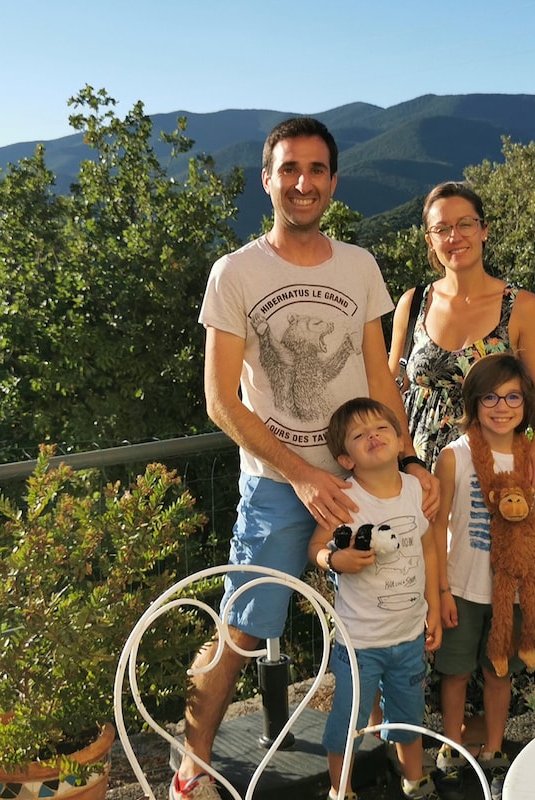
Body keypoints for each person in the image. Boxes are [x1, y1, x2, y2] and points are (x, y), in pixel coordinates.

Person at [174, 117, 436, 800]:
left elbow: (380, 379)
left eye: (316, 170)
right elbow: (220, 402)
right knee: (241, 630)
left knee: (384, 618)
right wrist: (302, 473)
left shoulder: (359, 266)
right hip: (277, 487)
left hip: (365, 478)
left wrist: (407, 464)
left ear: (333, 182)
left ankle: (379, 761)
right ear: (267, 179)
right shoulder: (235, 271)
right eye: (289, 168)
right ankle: (190, 770)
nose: (302, 182)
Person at [307, 397, 442, 800]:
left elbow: (430, 548)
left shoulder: (418, 488)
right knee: (349, 720)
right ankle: (341, 790)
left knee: (410, 717)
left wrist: (433, 606)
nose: (373, 437)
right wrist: (335, 558)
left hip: (409, 636)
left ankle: (414, 780)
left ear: (401, 441)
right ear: (345, 459)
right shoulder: (344, 498)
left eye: (381, 429)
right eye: (359, 435)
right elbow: (315, 547)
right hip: (358, 644)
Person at [430, 353, 535, 800]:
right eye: (490, 397)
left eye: (512, 396)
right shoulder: (455, 457)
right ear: (474, 402)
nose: (502, 407)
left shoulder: (533, 458)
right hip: (462, 587)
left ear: (526, 402)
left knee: (500, 672)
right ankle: (451, 749)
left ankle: (495, 750)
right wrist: (440, 589)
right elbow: (437, 526)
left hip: (514, 591)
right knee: (456, 672)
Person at [387, 181, 535, 487]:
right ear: (430, 240)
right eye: (442, 229)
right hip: (415, 473)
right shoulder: (412, 304)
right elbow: (390, 388)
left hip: (493, 469)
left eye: (465, 224)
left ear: (484, 230)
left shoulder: (523, 307)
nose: (455, 237)